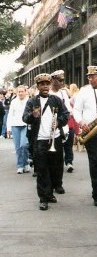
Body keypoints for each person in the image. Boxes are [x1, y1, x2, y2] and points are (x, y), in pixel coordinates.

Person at [22, 73, 70, 211]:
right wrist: (33, 115)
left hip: (55, 139)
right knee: (42, 170)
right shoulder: (32, 102)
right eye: (42, 84)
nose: (45, 86)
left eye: (47, 84)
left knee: (55, 169)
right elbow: (25, 118)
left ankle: (50, 193)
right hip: (39, 141)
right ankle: (43, 198)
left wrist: (59, 122)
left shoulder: (56, 99)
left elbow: (65, 114)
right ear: (37, 86)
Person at [73, 65, 97, 207]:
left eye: (92, 76)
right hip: (90, 131)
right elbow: (76, 109)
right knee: (95, 162)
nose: (89, 79)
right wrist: (81, 122)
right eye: (88, 77)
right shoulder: (84, 91)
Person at [50, 70, 74, 173]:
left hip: (63, 120)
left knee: (69, 141)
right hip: (51, 122)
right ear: (53, 80)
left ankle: (69, 162)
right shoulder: (49, 93)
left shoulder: (63, 93)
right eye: (60, 80)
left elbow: (68, 107)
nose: (62, 83)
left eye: (63, 80)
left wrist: (68, 114)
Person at [7, 85, 30, 174]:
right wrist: (8, 128)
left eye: (22, 91)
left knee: (24, 145)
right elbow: (10, 115)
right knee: (18, 147)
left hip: (25, 125)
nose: (20, 93)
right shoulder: (13, 102)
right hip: (15, 126)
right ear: (16, 93)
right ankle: (21, 165)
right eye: (19, 92)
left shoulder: (29, 101)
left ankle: (26, 162)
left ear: (25, 92)